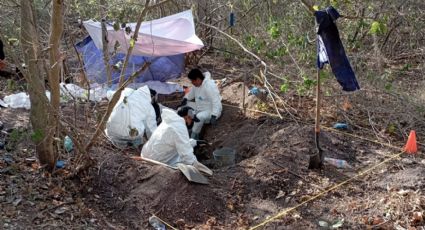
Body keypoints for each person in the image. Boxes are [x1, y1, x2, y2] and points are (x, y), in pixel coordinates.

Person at [141, 108, 211, 174]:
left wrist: (195, 142)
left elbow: (176, 141)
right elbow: (186, 155)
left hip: (146, 155)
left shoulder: (170, 122)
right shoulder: (179, 128)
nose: (192, 123)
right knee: (183, 161)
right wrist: (198, 166)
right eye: (191, 120)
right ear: (187, 117)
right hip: (155, 162)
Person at [180, 68, 222, 139]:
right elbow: (190, 95)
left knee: (199, 117)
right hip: (200, 107)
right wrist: (185, 98)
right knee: (185, 106)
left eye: (193, 81)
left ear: (198, 79)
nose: (192, 83)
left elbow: (216, 101)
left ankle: (194, 135)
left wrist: (214, 115)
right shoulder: (196, 85)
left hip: (211, 110)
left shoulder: (209, 86)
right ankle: (188, 125)